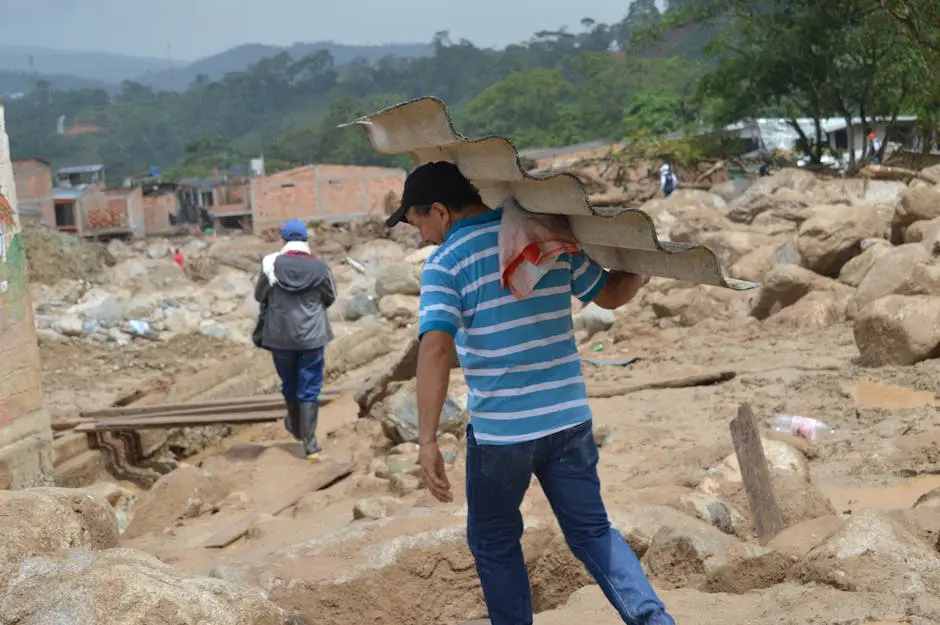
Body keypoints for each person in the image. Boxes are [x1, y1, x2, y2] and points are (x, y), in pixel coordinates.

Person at [386, 161, 675, 625]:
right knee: (593, 533)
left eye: (417, 221)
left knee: (495, 542)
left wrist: (426, 440)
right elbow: (610, 295)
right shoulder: (540, 235)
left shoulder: (446, 262)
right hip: (568, 421)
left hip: (503, 435)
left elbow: (436, 349)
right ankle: (652, 619)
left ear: (439, 211)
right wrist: (641, 269)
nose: (420, 235)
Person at [253, 219, 336, 460]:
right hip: (312, 336)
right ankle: (309, 443)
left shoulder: (271, 264)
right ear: (305, 239)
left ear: (284, 239)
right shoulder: (320, 267)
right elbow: (329, 296)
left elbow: (260, 296)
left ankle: (297, 427)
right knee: (310, 387)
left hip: (280, 336)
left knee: (289, 383)